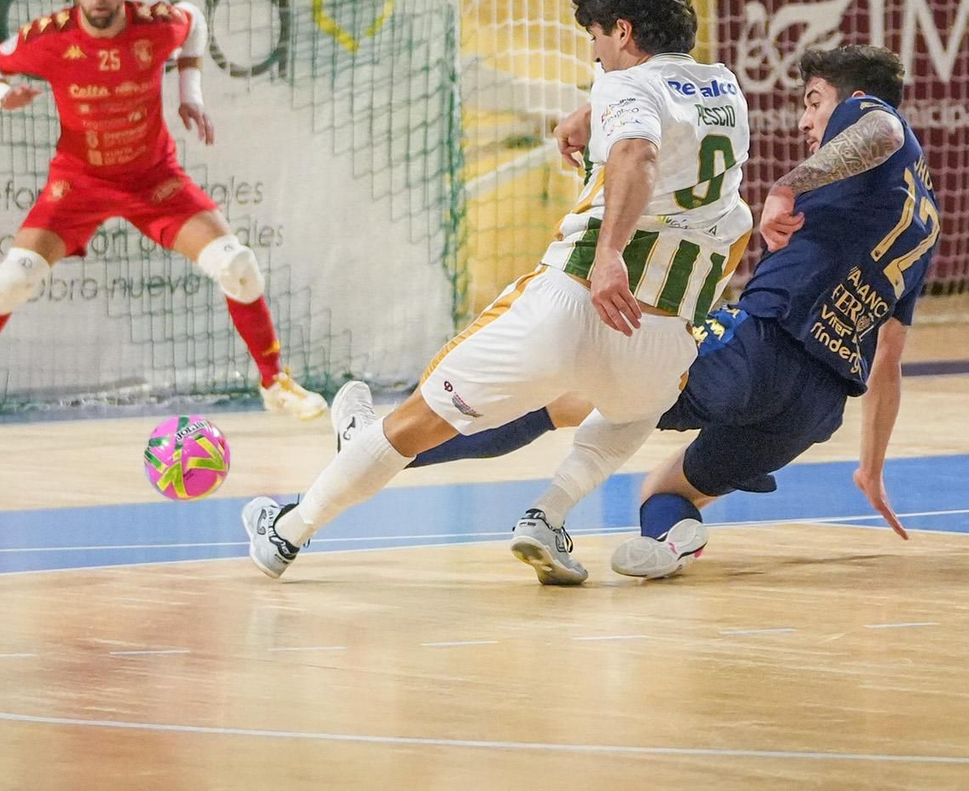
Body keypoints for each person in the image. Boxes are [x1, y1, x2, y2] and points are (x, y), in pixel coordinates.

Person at [240, 0, 752, 579]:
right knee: (631, 412)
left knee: (415, 421)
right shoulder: (723, 87)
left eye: (595, 38)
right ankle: (547, 514)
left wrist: (611, 252)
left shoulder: (624, 86)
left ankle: (289, 531)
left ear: (622, 31)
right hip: (658, 342)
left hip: (573, 299)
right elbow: (663, 121)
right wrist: (591, 113)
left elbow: (638, 153)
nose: (594, 56)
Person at [339, 44, 933, 583]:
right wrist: (871, 469)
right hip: (816, 407)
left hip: (758, 350)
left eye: (813, 102)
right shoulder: (922, 220)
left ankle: (381, 447)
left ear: (853, 98)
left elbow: (881, 127)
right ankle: (670, 542)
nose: (805, 121)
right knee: (664, 490)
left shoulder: (872, 117)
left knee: (562, 393)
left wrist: (788, 184)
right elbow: (889, 356)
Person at [0, 0, 327, 426]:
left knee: (238, 266)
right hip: (79, 182)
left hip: (153, 178)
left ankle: (275, 384)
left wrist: (191, 94)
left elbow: (195, 18)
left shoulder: (157, 24)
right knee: (13, 278)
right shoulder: (50, 38)